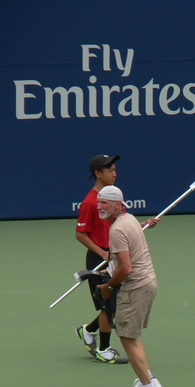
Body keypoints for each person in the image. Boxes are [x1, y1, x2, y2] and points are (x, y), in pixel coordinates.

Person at [96, 186, 163, 387]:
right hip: (146, 284)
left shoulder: (116, 230)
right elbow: (124, 263)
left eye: (105, 203)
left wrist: (109, 287)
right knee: (131, 337)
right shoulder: (130, 219)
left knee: (126, 337)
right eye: (99, 202)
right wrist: (110, 271)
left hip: (136, 288)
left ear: (118, 205)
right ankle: (148, 380)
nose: (100, 207)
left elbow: (126, 268)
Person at [74, 154, 128, 364]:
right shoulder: (89, 202)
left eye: (115, 170)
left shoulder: (113, 199)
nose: (115, 174)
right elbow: (80, 234)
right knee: (109, 306)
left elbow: (122, 224)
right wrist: (101, 252)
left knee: (115, 304)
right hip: (99, 259)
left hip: (114, 254)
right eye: (110, 170)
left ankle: (87, 330)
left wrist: (143, 225)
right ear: (98, 174)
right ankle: (103, 350)